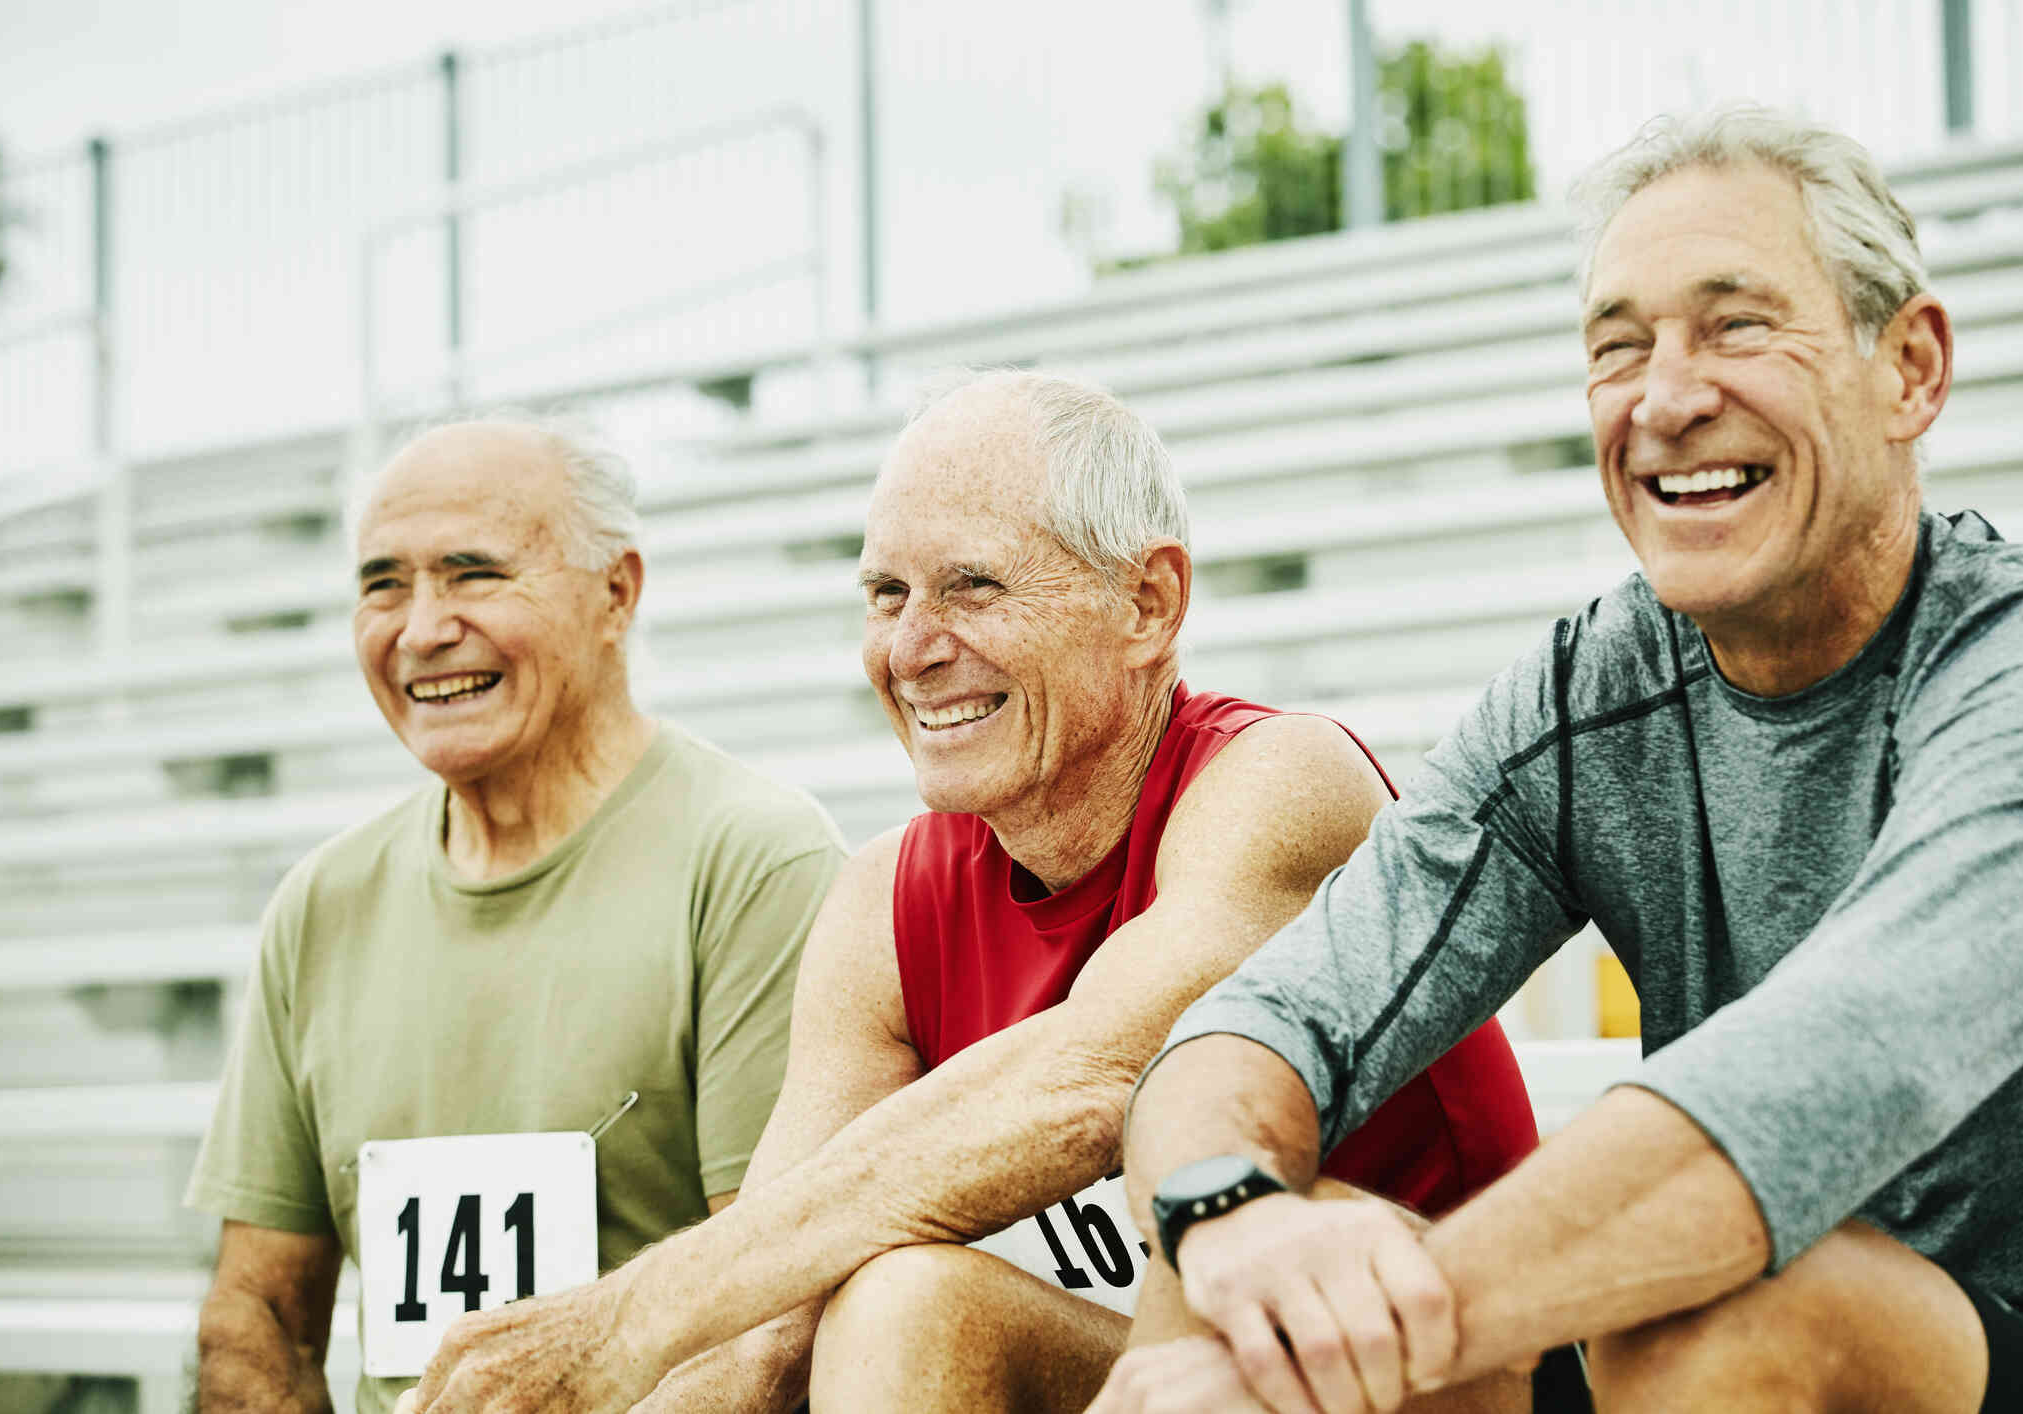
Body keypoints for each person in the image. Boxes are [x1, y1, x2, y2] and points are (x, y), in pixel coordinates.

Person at [1093, 105, 2023, 1414]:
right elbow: (1261, 1020)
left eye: (1736, 325)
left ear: (1907, 368)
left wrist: (1360, 1342)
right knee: (1251, 1251)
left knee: (1717, 1309)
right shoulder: (1586, 694)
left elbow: (1797, 1099)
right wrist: (1226, 1209)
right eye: (1619, 347)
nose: (1667, 398)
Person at [395, 370, 1542, 1414]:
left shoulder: (1284, 783)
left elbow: (1089, 1083)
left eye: (972, 587)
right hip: (1162, 1374)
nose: (912, 646)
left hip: (1440, 1364)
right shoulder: (882, 901)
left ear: (1148, 603)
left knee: (911, 1301)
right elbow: (762, 1326)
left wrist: (625, 1318)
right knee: (868, 1300)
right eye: (884, 593)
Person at [185, 417, 847, 1414]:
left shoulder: (756, 860)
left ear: (616, 592)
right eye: (382, 585)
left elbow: (775, 1320)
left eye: (473, 573)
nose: (420, 629)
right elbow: (259, 1313)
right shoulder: (320, 905)